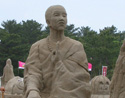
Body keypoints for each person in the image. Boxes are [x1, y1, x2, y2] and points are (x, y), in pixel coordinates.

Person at [23, 5, 91, 98]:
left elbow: (81, 79)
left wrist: (58, 63)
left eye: (64, 15)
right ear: (48, 21)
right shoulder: (37, 47)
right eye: (56, 15)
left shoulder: (76, 47)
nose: (61, 18)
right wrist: (32, 90)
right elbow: (33, 73)